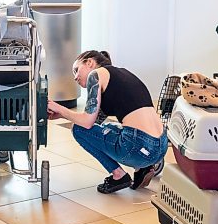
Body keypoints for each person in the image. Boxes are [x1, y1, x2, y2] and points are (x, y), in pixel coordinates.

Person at [47, 50, 168, 194]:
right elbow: (92, 126)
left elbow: (85, 124)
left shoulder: (95, 75)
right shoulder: (121, 74)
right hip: (161, 147)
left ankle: (119, 175)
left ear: (90, 62)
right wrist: (62, 115)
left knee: (77, 130)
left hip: (137, 147)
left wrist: (59, 107)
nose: (75, 77)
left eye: (76, 70)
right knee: (109, 127)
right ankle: (143, 168)